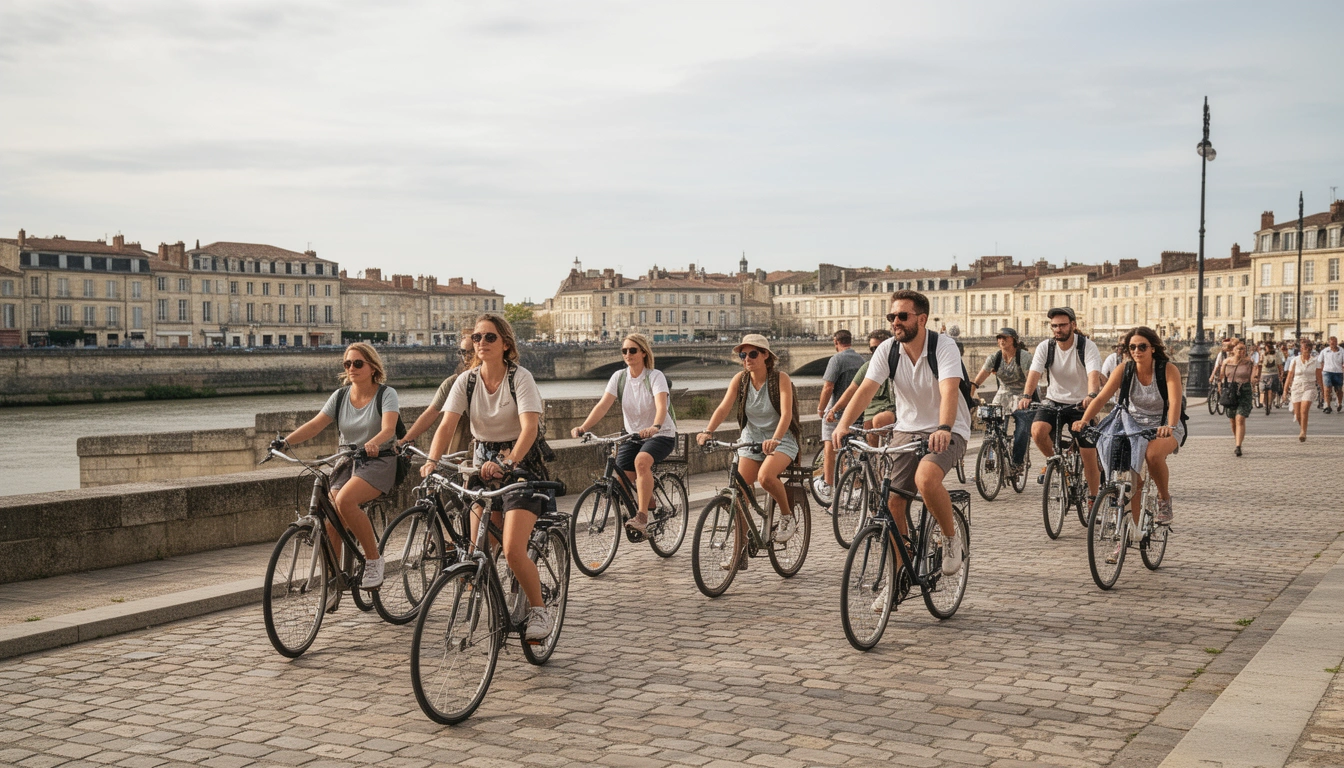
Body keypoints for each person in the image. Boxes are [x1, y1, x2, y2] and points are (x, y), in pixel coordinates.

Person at [422, 313, 554, 640]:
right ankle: (496, 594)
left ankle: (538, 609)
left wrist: (508, 462)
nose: (482, 343)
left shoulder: (520, 378)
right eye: (477, 338)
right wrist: (431, 463)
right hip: (481, 463)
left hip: (521, 466)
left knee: (511, 548)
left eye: (490, 337)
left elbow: (529, 429)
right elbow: (446, 426)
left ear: (506, 344)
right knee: (479, 546)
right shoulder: (465, 382)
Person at [833, 290, 969, 578]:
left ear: (922, 319)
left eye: (902, 316)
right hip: (907, 429)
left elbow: (949, 391)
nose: (895, 321)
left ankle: (949, 537)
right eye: (891, 316)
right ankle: (901, 569)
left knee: (926, 478)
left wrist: (944, 427)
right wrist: (843, 425)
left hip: (949, 427)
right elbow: (865, 390)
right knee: (893, 500)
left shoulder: (944, 347)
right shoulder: (888, 350)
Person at [273, 342, 399, 592]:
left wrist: (373, 443)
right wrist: (285, 443)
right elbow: (315, 424)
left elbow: (389, 429)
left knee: (345, 502)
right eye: (347, 364)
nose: (351, 368)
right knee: (330, 519)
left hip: (378, 460)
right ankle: (334, 577)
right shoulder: (341, 396)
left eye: (358, 363)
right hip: (347, 461)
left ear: (373, 367)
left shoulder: (386, 394)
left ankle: (374, 560)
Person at [1073, 327, 1183, 555]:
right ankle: (1129, 532)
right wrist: (1084, 420)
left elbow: (1174, 403)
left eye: (1142, 346)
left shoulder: (1167, 370)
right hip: (1132, 425)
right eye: (1132, 347)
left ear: (1153, 348)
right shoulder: (1125, 369)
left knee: (1152, 456)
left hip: (1164, 425)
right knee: (1132, 479)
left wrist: (1169, 426)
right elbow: (1102, 396)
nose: (1136, 351)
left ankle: (1164, 499)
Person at [697, 334, 802, 568]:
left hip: (780, 438)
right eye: (743, 355)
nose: (746, 359)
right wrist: (708, 431)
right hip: (751, 438)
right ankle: (740, 552)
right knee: (740, 491)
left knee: (766, 478)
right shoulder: (740, 380)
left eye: (752, 354)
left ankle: (787, 517)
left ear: (766, 355)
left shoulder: (780, 379)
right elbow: (724, 407)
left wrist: (775, 438)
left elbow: (786, 414)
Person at [570, 333, 677, 538]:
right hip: (632, 435)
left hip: (660, 434)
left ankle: (642, 517)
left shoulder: (655, 377)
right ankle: (644, 503)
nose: (628, 354)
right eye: (624, 351)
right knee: (620, 482)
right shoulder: (619, 377)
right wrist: (583, 427)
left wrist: (655, 425)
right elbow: (603, 406)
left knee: (642, 462)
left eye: (633, 350)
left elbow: (661, 406)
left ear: (644, 353)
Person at [1017, 307, 1103, 502]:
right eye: (1054, 326)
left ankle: (1093, 499)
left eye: (1062, 325)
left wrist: (1091, 395)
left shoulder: (1087, 347)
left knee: (1087, 453)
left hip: (1081, 404)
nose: (1058, 329)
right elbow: (1034, 373)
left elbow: (1093, 374)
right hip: (1054, 401)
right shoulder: (1045, 347)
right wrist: (1026, 395)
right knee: (1037, 431)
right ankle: (1056, 463)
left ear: (1073, 325)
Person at [397, 333, 475, 453]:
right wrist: (406, 439)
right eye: (463, 352)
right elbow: (432, 412)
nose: (467, 357)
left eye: (472, 351)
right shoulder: (453, 383)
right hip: (461, 450)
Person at [814, 330, 865, 501]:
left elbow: (828, 387)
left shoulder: (836, 359)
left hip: (835, 413)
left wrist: (822, 409)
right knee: (852, 452)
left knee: (830, 448)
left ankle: (828, 485)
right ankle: (855, 488)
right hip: (856, 412)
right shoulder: (861, 360)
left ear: (835, 341)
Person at [829, 329, 897, 445]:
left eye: (879, 348)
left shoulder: (898, 364)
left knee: (880, 420)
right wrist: (834, 409)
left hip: (891, 412)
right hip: (870, 415)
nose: (876, 352)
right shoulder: (868, 367)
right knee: (869, 442)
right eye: (873, 349)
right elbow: (852, 390)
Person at [969, 327, 1030, 411]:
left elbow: (1031, 379)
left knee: (1021, 418)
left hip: (1023, 393)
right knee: (992, 416)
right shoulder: (994, 358)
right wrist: (969, 398)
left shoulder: (1024, 356)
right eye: (999, 338)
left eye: (1005, 337)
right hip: (1003, 394)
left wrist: (1027, 396)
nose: (1001, 340)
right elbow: (977, 381)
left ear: (1013, 339)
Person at [1283, 337, 1325, 442]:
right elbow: (1290, 376)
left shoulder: (1315, 361)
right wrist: (1284, 390)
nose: (1306, 349)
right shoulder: (1295, 360)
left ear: (1311, 349)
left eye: (1308, 347)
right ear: (1301, 349)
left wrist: (1324, 392)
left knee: (1304, 409)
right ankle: (1302, 427)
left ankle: (1303, 432)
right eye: (1304, 347)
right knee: (1297, 414)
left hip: (1309, 386)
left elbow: (1319, 378)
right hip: (1296, 387)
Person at [1219, 340, 1256, 456]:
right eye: (1239, 349)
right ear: (1233, 350)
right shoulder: (1226, 362)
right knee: (1232, 420)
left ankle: (1238, 446)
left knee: (1240, 418)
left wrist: (1255, 379)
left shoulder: (1249, 362)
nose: (1242, 351)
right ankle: (1237, 440)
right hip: (1231, 391)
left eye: (1244, 349)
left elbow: (1253, 376)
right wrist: (1220, 388)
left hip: (1244, 390)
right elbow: (1221, 377)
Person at [1318, 336, 1344, 413]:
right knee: (1327, 389)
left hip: (1338, 372)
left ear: (1337, 342)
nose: (1333, 344)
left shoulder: (1342, 351)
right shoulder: (1324, 351)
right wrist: (1321, 372)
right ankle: (1327, 405)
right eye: (1331, 343)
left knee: (1338, 390)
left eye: (1335, 342)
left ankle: (1339, 403)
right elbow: (1320, 361)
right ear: (1329, 343)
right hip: (1327, 372)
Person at [1257, 342, 1282, 414]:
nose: (1268, 349)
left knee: (1273, 391)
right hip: (1264, 374)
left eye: (1270, 347)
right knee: (1262, 390)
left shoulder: (1276, 355)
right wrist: (1257, 374)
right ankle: (1264, 403)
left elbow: (1279, 365)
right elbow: (1259, 365)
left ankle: (1270, 403)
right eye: (1267, 348)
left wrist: (1281, 374)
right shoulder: (1262, 354)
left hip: (1274, 374)